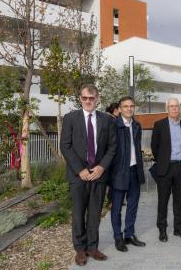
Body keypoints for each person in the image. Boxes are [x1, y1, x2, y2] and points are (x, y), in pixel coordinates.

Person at [60, 83, 116, 266]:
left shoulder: (107, 120)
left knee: (94, 213)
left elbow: (112, 146)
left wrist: (102, 167)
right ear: (80, 99)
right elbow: (65, 146)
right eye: (84, 98)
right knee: (78, 214)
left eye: (91, 98)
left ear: (97, 99)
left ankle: (92, 247)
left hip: (98, 175)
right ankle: (80, 250)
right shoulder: (70, 118)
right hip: (78, 176)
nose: (88, 101)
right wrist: (80, 170)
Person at [151, 97, 181, 242]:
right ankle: (162, 229)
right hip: (165, 168)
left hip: (180, 167)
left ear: (179, 108)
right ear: (167, 108)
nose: (174, 109)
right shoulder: (159, 125)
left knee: (178, 200)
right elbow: (154, 147)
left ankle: (178, 228)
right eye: (171, 106)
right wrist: (162, 160)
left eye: (176, 106)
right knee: (163, 200)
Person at [110, 96, 146, 252]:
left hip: (134, 171)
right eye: (125, 106)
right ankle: (118, 237)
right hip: (118, 172)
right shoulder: (113, 125)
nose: (129, 109)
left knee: (133, 205)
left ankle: (129, 234)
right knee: (116, 208)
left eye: (132, 106)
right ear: (119, 108)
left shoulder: (137, 125)